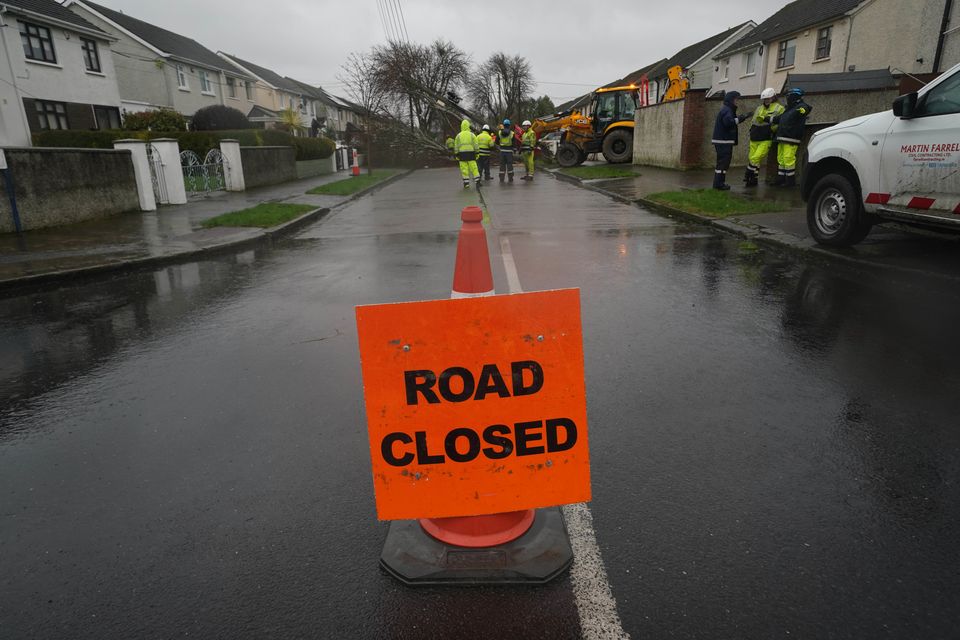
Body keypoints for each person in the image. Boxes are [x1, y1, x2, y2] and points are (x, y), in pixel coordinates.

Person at [743, 88, 785, 187]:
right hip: (755, 136)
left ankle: (748, 172)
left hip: (766, 137)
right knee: (753, 159)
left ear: (773, 97)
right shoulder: (759, 108)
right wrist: (751, 130)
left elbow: (779, 123)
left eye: (768, 99)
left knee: (756, 157)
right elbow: (753, 121)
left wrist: (771, 128)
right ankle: (753, 179)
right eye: (765, 99)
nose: (766, 101)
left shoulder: (779, 108)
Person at [771, 88, 812, 187]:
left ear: (794, 96)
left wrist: (802, 111)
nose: (787, 99)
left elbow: (806, 108)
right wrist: (766, 118)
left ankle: (790, 182)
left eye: (788, 96)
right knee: (781, 159)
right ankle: (781, 179)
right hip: (782, 137)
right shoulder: (789, 109)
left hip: (791, 138)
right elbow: (779, 119)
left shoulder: (801, 106)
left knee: (788, 159)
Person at [711, 91, 749, 190]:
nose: (737, 102)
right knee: (723, 164)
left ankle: (719, 183)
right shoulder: (728, 110)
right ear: (731, 100)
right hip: (724, 141)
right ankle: (719, 184)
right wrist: (740, 119)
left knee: (722, 164)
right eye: (736, 99)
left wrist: (740, 118)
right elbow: (728, 122)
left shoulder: (726, 109)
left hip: (723, 141)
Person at [453, 119, 480, 189]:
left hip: (462, 154)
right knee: (474, 167)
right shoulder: (472, 135)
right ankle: (477, 181)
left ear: (461, 126)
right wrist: (477, 152)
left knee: (464, 169)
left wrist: (456, 154)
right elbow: (476, 144)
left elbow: (456, 146)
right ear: (468, 126)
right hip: (471, 153)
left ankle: (466, 183)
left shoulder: (458, 136)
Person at [497, 119, 516, 183]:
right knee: (509, 165)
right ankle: (510, 178)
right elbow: (514, 143)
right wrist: (515, 150)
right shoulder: (512, 133)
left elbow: (496, 142)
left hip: (502, 151)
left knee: (502, 165)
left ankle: (501, 178)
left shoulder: (499, 132)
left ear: (504, 125)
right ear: (509, 125)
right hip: (509, 152)